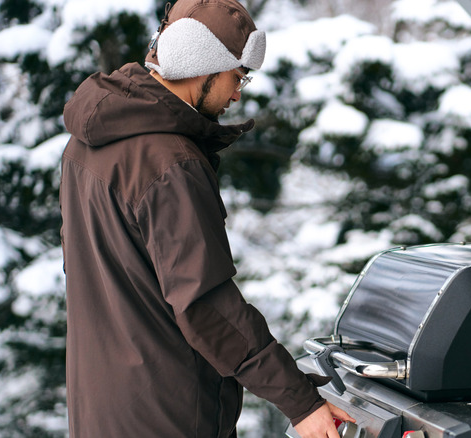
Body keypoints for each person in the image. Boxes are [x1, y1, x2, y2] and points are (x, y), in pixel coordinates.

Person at [59, 0, 353, 436]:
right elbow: (207, 305)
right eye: (238, 76)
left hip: (100, 409)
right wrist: (301, 402)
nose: (238, 94)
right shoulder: (169, 164)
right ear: (202, 62)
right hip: (168, 415)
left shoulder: (86, 145)